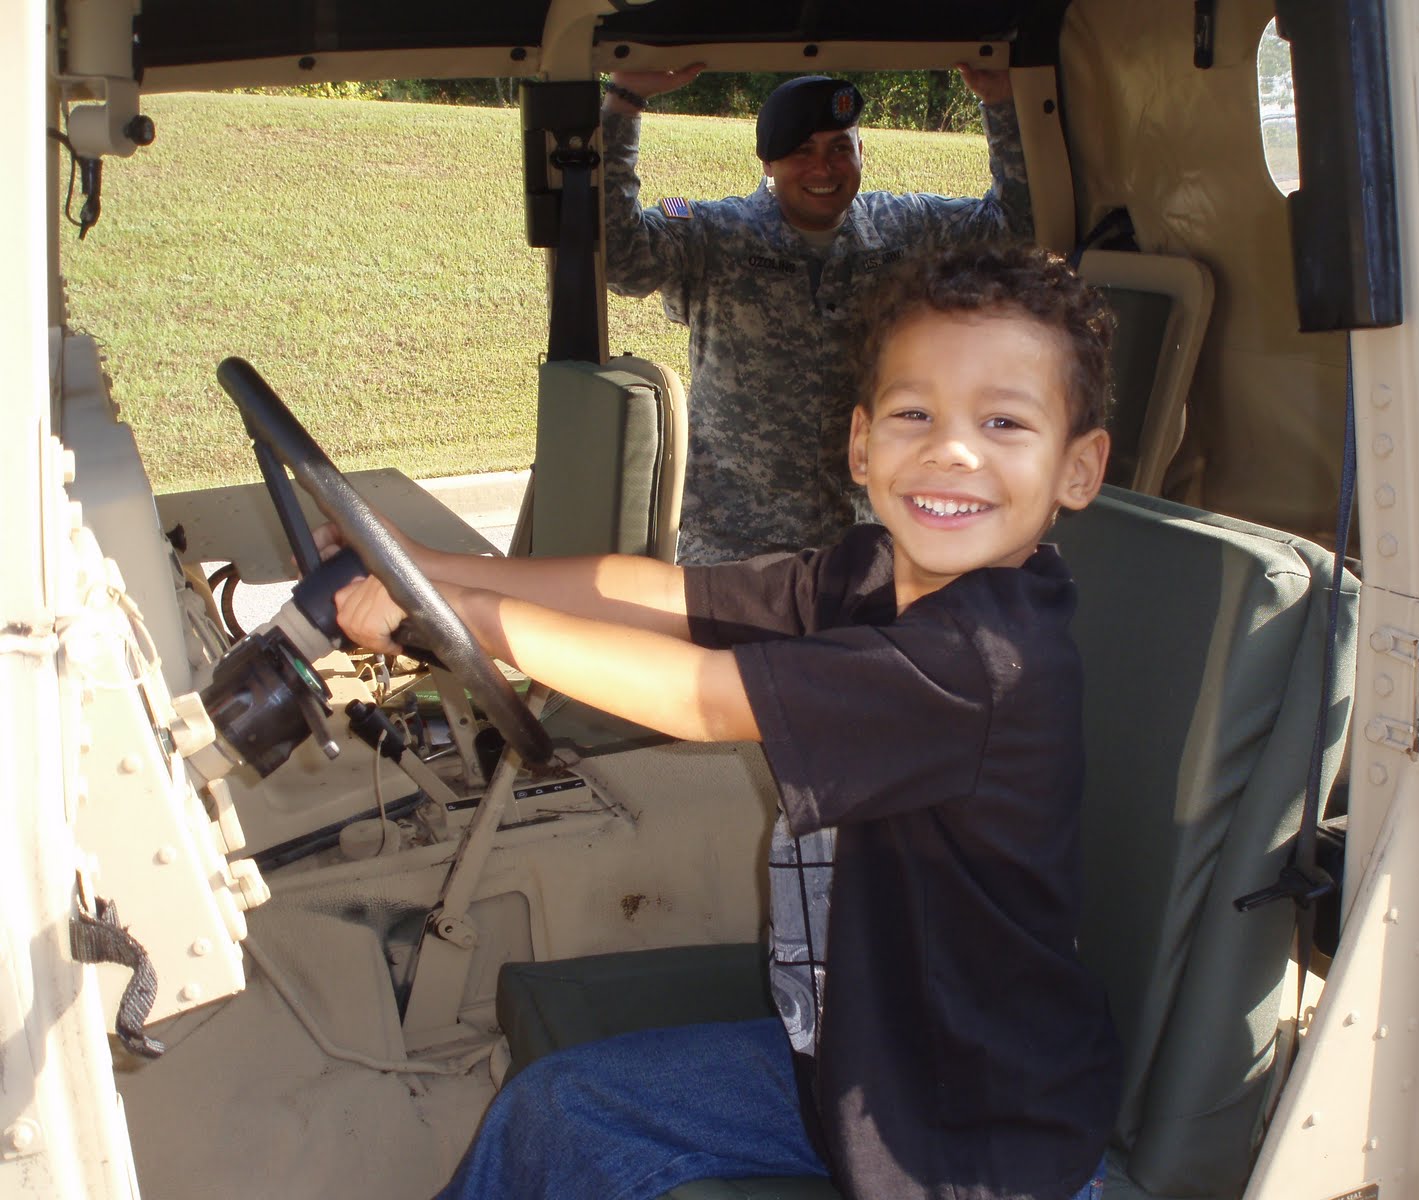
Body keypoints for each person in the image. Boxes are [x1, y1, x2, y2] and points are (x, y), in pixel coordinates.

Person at [332, 242, 1122, 1199]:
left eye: (1004, 422)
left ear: (1079, 468)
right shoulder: (873, 576)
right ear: (861, 444)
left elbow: (702, 696)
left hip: (970, 1141)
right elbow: (663, 596)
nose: (952, 450)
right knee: (558, 1110)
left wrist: (461, 620)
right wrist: (428, 566)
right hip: (858, 1057)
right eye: (916, 413)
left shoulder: (982, 659)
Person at [601, 65, 1034, 565]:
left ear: (862, 152)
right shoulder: (716, 235)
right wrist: (623, 104)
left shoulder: (902, 229)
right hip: (734, 549)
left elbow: (1017, 231)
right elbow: (619, 260)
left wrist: (1001, 103)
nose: (824, 170)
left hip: (867, 546)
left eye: (839, 149)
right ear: (768, 162)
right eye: (802, 151)